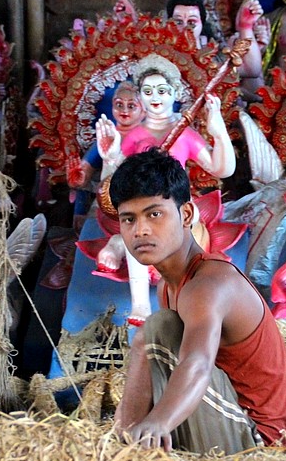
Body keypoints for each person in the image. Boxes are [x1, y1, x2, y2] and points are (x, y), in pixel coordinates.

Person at [110, 149, 286, 454]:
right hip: (220, 421)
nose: (140, 230)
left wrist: (157, 422)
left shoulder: (208, 284)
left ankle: (126, 443)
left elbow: (197, 364)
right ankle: (123, 444)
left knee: (156, 328)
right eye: (128, 219)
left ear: (185, 215)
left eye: (154, 214)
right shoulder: (169, 287)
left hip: (258, 446)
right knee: (153, 334)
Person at [94, 53, 236, 325]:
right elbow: (111, 189)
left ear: (175, 93)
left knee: (174, 229)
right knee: (138, 228)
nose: (155, 97)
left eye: (162, 90)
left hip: (177, 207)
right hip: (142, 208)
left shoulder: (185, 134)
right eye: (147, 91)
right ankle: (140, 305)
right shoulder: (134, 136)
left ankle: (184, 297)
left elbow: (222, 169)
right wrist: (110, 157)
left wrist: (218, 131)